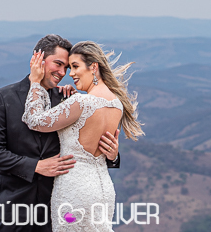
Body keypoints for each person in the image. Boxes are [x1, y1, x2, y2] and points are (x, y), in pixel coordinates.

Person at [0, 35, 121, 232]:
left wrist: (113, 155)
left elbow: (86, 147)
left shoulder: (68, 99)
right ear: (38, 59)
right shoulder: (3, 97)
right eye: (58, 64)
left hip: (59, 206)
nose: (63, 73)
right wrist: (36, 166)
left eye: (67, 67)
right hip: (15, 204)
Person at [22, 40, 143, 232]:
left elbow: (34, 120)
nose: (70, 74)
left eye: (75, 66)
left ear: (93, 67)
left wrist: (35, 82)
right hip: (103, 190)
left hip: (74, 190)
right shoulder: (117, 104)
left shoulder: (81, 102)